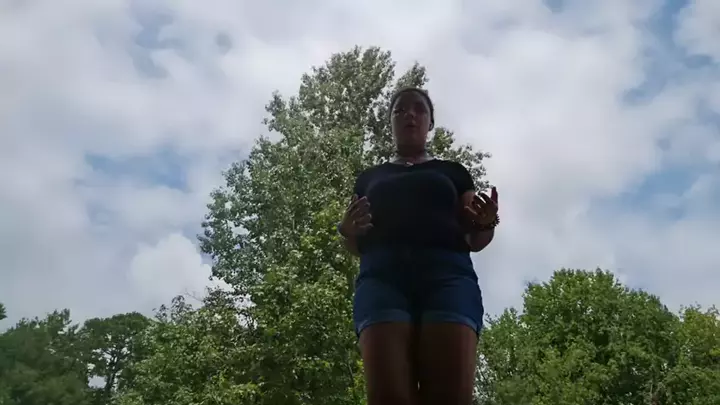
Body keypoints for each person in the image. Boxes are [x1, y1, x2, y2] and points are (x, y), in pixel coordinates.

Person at [337, 87, 500, 405]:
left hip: (448, 278)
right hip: (382, 279)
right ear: (390, 122)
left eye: (419, 109)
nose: (409, 114)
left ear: (430, 123)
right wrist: (346, 230)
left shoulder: (453, 172)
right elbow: (356, 244)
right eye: (400, 110)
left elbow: (475, 239)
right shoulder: (369, 177)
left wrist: (486, 221)